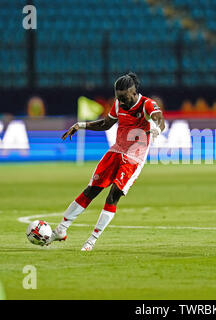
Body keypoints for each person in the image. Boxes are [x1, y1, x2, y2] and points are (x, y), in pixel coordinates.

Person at [47, 72, 165, 251]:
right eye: (118, 97)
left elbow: (159, 118)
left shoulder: (146, 104)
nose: (121, 101)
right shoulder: (119, 104)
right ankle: (60, 230)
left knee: (113, 195)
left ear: (134, 93)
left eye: (124, 97)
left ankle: (92, 240)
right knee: (90, 191)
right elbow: (106, 124)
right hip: (115, 152)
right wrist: (81, 125)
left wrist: (156, 127)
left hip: (133, 158)